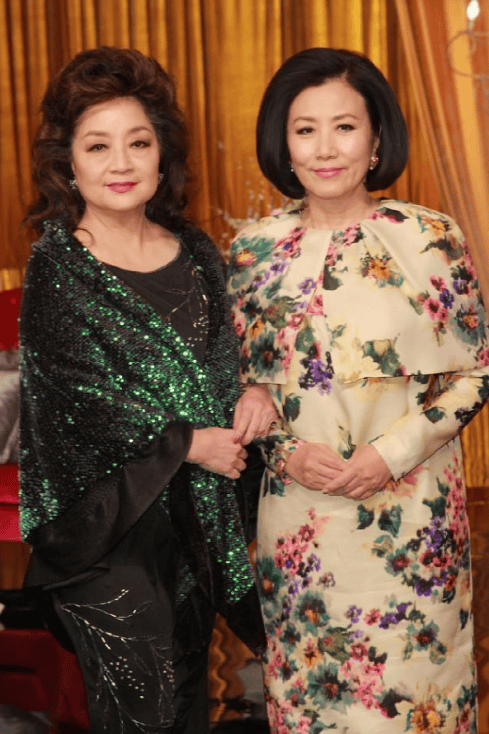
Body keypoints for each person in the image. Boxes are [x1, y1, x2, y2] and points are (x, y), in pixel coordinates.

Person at [227, 47, 489, 733]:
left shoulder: (429, 237)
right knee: (313, 709)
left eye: (344, 127)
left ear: (376, 140)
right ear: (283, 143)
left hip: (412, 519)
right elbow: (241, 389)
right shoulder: (252, 252)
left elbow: (476, 372)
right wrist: (284, 453)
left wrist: (388, 455)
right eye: (304, 129)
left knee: (414, 707)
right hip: (300, 526)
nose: (324, 148)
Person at [19, 47, 274, 734]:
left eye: (138, 142)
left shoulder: (195, 251)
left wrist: (253, 393)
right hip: (106, 532)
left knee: (188, 705)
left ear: (163, 154)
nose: (121, 163)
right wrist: (187, 442)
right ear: (69, 164)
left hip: (195, 523)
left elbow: (224, 364)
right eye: (97, 146)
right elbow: (82, 400)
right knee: (143, 714)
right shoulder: (56, 268)